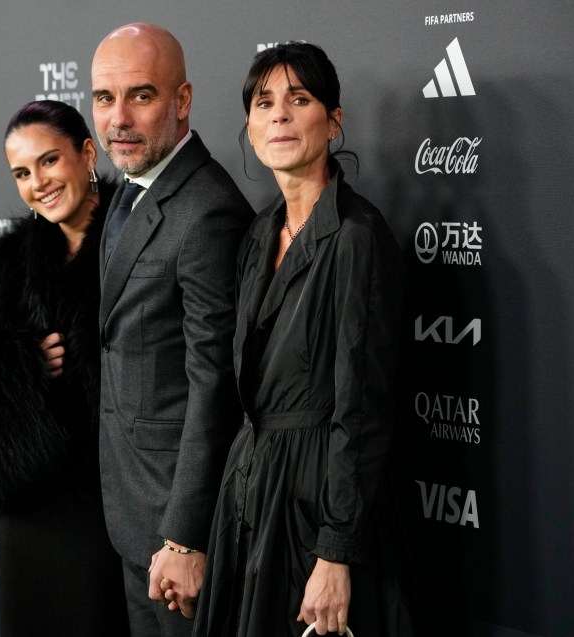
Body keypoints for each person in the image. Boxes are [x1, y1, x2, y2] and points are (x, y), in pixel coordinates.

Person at [194, 43, 414, 636]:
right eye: (264, 103)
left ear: (334, 119)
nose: (280, 116)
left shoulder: (356, 239)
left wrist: (336, 551)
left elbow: (362, 411)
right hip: (251, 500)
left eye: (300, 98)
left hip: (320, 509)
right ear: (249, 125)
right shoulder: (259, 231)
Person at [91, 22, 254, 637]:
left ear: (181, 101)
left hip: (178, 533)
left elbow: (217, 386)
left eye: (141, 95)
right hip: (130, 511)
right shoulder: (133, 190)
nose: (118, 119)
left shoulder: (207, 210)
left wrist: (185, 535)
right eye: (104, 99)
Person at [0, 100, 129, 636]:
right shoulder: (12, 259)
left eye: (49, 161)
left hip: (109, 506)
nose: (38, 183)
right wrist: (19, 369)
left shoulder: (136, 240)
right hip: (28, 510)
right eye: (22, 173)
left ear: (88, 153)